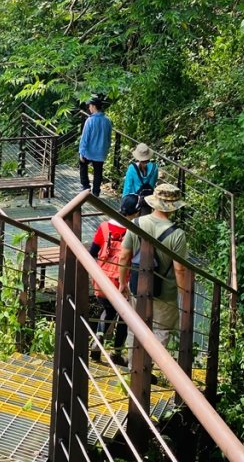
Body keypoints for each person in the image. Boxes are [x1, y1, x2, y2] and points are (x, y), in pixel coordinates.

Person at [118, 183, 189, 353]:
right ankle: (151, 364)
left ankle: (133, 365)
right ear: (173, 207)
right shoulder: (177, 234)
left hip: (138, 286)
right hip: (165, 294)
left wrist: (122, 283)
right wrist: (184, 294)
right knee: (161, 331)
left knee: (135, 327)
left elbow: (124, 256)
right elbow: (179, 270)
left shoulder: (136, 223)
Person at [87, 194, 140, 366]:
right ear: (136, 212)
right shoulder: (134, 232)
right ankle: (116, 353)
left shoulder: (104, 227)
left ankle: (99, 337)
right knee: (124, 316)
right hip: (122, 281)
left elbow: (92, 252)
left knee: (108, 310)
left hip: (102, 279)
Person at [78, 96, 112, 196]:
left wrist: (82, 152)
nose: (89, 108)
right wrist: (106, 149)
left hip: (89, 151)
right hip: (101, 151)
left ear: (93, 106)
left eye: (90, 106)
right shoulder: (107, 121)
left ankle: (86, 187)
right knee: (98, 171)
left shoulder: (90, 120)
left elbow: (85, 137)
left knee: (82, 164)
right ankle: (96, 191)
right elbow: (109, 137)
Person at [122, 143, 158, 214]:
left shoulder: (132, 168)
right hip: (147, 200)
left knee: (131, 219)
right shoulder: (154, 168)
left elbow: (127, 187)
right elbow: (152, 185)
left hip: (133, 201)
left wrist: (124, 202)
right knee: (145, 219)